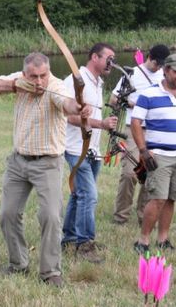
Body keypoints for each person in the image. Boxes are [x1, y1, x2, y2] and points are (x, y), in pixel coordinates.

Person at [0, 52, 91, 288]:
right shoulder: (18, 81)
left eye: (43, 75)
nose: (39, 81)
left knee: (50, 215)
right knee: (7, 214)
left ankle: (50, 272)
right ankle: (18, 263)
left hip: (48, 163)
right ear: (24, 73)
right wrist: (15, 85)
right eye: (33, 76)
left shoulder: (57, 86)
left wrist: (79, 107)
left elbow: (67, 103)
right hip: (18, 161)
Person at [61, 43, 118, 264]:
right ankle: (85, 245)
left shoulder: (98, 82)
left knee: (79, 195)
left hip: (92, 149)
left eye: (114, 59)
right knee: (89, 196)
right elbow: (69, 116)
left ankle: (68, 239)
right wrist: (101, 124)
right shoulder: (76, 81)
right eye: (109, 58)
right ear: (95, 57)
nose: (112, 63)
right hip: (76, 149)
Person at [132, 54, 176, 254]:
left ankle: (163, 239)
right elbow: (136, 122)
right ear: (165, 70)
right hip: (159, 155)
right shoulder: (149, 94)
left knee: (171, 198)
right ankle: (143, 240)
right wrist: (143, 150)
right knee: (157, 198)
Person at [111, 45, 171, 226]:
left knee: (150, 175)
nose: (158, 68)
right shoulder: (132, 74)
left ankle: (144, 217)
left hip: (156, 130)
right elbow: (114, 100)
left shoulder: (164, 77)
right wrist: (134, 105)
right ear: (149, 57)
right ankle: (120, 217)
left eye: (162, 65)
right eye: (156, 63)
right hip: (133, 127)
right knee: (130, 173)